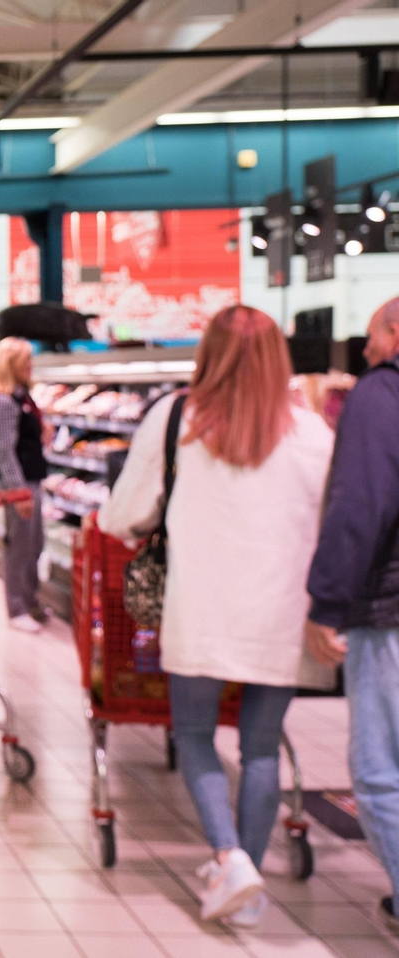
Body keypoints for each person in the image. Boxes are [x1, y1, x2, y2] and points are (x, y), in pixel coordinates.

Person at [101, 306, 333, 927]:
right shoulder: (313, 436)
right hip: (285, 614)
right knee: (261, 750)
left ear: (209, 355)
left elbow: (124, 517)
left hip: (202, 609)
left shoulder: (177, 420)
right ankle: (248, 894)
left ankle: (230, 859)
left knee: (196, 735)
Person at [304, 297, 399, 931]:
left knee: (380, 772)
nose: (363, 350)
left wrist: (327, 602)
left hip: (389, 610)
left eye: (373, 335)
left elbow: (360, 504)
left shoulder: (380, 395)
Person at [0, 337, 49, 632]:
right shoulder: (2, 401)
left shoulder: (23, 397)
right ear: (10, 364)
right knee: (20, 547)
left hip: (33, 481)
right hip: (20, 486)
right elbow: (4, 450)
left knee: (35, 545)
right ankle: (16, 608)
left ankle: (30, 600)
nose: (30, 365)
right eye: (26, 360)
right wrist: (18, 491)